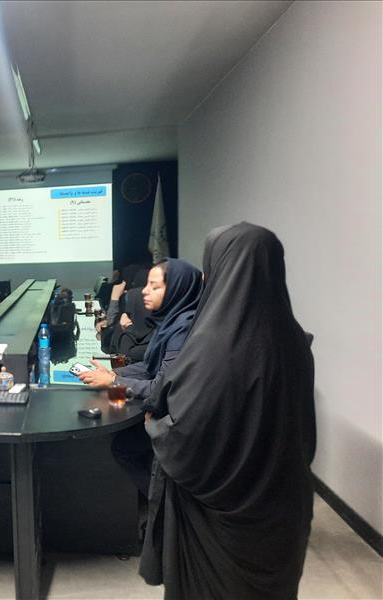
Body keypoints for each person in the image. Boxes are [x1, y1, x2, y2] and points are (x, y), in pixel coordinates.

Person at [139, 223, 316, 599]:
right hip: (283, 507)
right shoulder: (294, 338)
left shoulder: (212, 345)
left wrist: (155, 425)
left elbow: (188, 439)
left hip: (219, 521)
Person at [78, 259, 202, 498]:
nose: (144, 291)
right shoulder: (170, 321)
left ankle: (159, 505)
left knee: (123, 447)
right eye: (147, 285)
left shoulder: (183, 328)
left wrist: (113, 383)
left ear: (177, 289)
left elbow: (161, 386)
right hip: (167, 410)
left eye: (154, 287)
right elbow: (150, 366)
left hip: (178, 420)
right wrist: (115, 374)